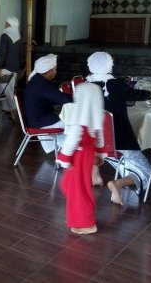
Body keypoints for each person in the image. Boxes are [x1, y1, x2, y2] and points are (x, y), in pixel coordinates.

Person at [85, 52, 151, 205]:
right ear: (110, 66)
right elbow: (138, 94)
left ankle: (95, 171)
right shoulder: (116, 84)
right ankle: (119, 184)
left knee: (125, 162)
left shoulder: (85, 85)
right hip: (121, 140)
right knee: (148, 172)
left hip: (96, 143)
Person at [56, 82, 107, 235]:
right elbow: (99, 135)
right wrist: (99, 153)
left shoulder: (78, 117)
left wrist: (64, 157)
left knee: (77, 188)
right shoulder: (96, 115)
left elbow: (73, 138)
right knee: (69, 185)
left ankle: (85, 223)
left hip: (78, 155)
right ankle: (79, 214)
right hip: (87, 153)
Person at [24, 54, 72, 153]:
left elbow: (55, 98)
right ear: (49, 72)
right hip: (41, 122)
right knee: (77, 123)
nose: (56, 71)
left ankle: (64, 148)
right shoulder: (43, 85)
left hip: (35, 119)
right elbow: (64, 99)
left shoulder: (36, 79)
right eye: (55, 69)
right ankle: (69, 150)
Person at [0, 16, 24, 115]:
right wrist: (20, 68)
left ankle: (11, 109)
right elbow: (20, 54)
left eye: (6, 23)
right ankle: (11, 110)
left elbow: (3, 53)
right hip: (14, 68)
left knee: (3, 90)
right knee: (10, 89)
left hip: (5, 68)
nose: (5, 25)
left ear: (10, 24)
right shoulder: (18, 36)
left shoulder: (5, 35)